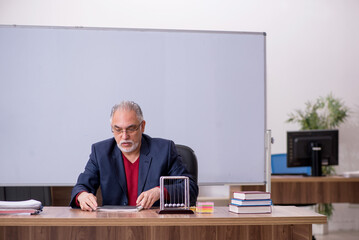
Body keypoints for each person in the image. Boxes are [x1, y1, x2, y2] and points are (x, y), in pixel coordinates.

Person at [70, 101, 198, 211]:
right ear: (112, 128)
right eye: (118, 129)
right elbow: (81, 186)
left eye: (131, 129)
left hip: (154, 226)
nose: (124, 136)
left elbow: (190, 189)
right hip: (114, 227)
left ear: (142, 126)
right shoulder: (100, 152)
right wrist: (82, 196)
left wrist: (160, 191)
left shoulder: (165, 150)